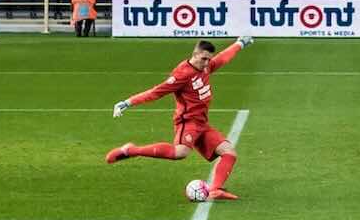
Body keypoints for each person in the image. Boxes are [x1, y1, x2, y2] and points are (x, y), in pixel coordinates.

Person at [105, 37, 253, 201]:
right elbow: (156, 92)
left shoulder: (206, 67)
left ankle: (215, 189)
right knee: (180, 152)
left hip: (202, 123)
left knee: (229, 152)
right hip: (188, 122)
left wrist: (240, 43)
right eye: (204, 59)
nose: (207, 63)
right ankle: (131, 150)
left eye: (209, 59)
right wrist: (128, 102)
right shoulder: (182, 74)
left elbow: (222, 58)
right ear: (195, 54)